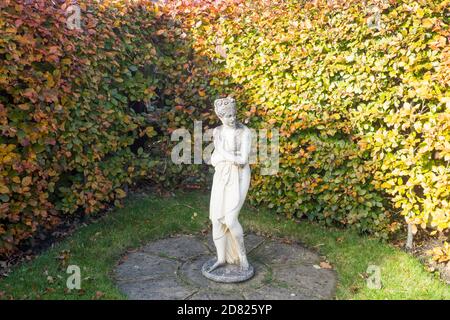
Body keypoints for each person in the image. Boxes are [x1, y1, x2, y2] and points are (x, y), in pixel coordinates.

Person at [208, 96, 252, 272]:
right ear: (220, 117)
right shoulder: (217, 132)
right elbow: (212, 160)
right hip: (222, 175)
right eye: (228, 116)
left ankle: (242, 257)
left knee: (231, 218)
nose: (233, 119)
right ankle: (221, 258)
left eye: (234, 115)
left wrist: (222, 152)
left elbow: (242, 160)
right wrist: (220, 155)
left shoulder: (244, 132)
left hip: (240, 175)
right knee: (216, 219)